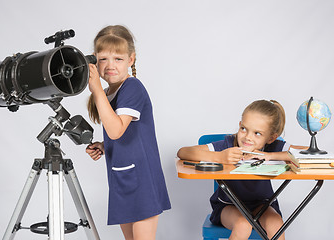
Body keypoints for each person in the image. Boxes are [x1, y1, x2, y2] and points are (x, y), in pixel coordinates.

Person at [85, 25, 171, 240]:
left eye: (118, 59)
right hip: (121, 177)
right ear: (95, 61)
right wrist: (104, 146)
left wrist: (95, 89)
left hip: (141, 179)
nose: (110, 65)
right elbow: (123, 134)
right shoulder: (107, 93)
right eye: (103, 59)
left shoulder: (132, 87)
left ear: (131, 60)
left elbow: (115, 130)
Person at [177, 99, 293, 240]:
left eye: (257, 133)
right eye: (244, 129)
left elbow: (307, 154)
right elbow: (183, 152)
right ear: (239, 125)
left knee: (276, 224)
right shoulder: (228, 145)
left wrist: (269, 155)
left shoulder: (273, 147)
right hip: (228, 206)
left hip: (262, 204)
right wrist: (220, 157)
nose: (248, 137)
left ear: (271, 138)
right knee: (243, 224)